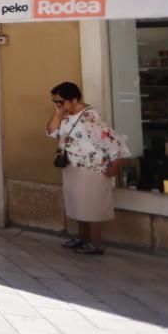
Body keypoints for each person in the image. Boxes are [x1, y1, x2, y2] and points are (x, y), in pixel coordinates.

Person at [47, 81, 130, 255]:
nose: (58, 105)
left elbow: (112, 141)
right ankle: (82, 238)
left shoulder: (90, 118)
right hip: (72, 166)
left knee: (91, 207)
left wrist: (115, 165)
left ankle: (96, 243)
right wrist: (58, 112)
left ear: (74, 99)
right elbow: (52, 131)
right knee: (77, 204)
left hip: (91, 168)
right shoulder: (66, 115)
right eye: (55, 102)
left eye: (60, 101)